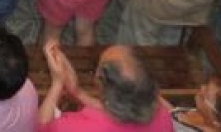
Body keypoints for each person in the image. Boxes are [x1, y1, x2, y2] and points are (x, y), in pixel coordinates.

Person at [38, 43, 171, 131]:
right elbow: (123, 108)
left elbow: (41, 127)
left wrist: (57, 83)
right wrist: (77, 92)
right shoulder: (164, 113)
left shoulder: (73, 127)